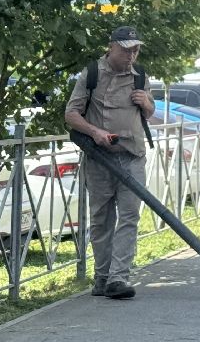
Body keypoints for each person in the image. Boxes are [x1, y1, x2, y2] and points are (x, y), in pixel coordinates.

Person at [63, 26, 156, 300]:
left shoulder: (140, 77)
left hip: (132, 156)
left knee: (129, 216)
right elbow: (71, 113)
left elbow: (149, 113)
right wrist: (95, 132)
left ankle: (119, 277)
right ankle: (102, 276)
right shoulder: (91, 73)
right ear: (111, 46)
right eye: (126, 49)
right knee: (101, 219)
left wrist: (147, 104)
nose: (131, 55)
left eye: (136, 50)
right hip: (100, 158)